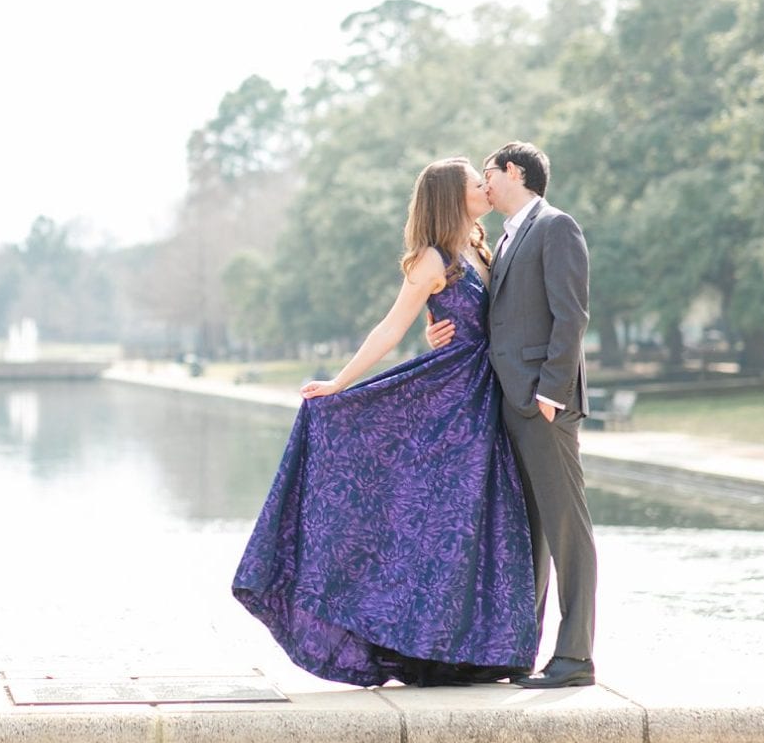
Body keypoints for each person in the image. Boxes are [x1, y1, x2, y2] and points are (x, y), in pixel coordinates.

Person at [231, 157, 538, 688]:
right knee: (441, 527)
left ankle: (479, 648)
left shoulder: (481, 247)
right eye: (474, 183)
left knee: (478, 525)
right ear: (450, 197)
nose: (484, 188)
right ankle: (428, 651)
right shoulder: (433, 259)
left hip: (482, 398)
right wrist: (338, 385)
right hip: (447, 405)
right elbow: (389, 328)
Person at [429, 141, 596, 689]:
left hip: (542, 404)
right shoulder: (503, 238)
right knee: (532, 533)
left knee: (567, 527)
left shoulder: (555, 227)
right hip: (510, 402)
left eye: (488, 173)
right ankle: (520, 651)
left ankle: (574, 658)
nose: (484, 183)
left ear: (514, 172)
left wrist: (551, 392)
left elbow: (570, 315)